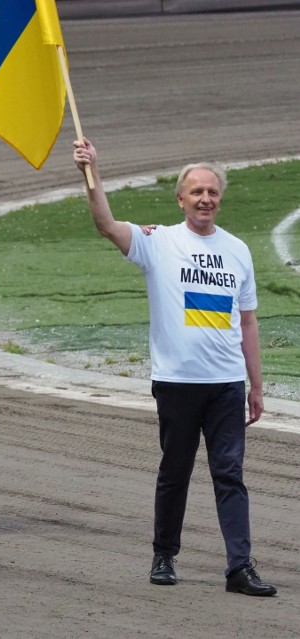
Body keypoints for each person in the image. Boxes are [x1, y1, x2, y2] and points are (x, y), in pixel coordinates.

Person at [73, 138, 276, 596]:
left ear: (219, 198)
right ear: (180, 199)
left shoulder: (238, 250)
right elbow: (105, 224)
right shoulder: (157, 242)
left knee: (230, 475)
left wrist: (256, 386)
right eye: (197, 192)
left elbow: (246, 322)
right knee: (176, 471)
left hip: (226, 384)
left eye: (213, 192)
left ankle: (239, 567)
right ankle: (164, 554)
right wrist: (92, 172)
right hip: (177, 383)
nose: (206, 199)